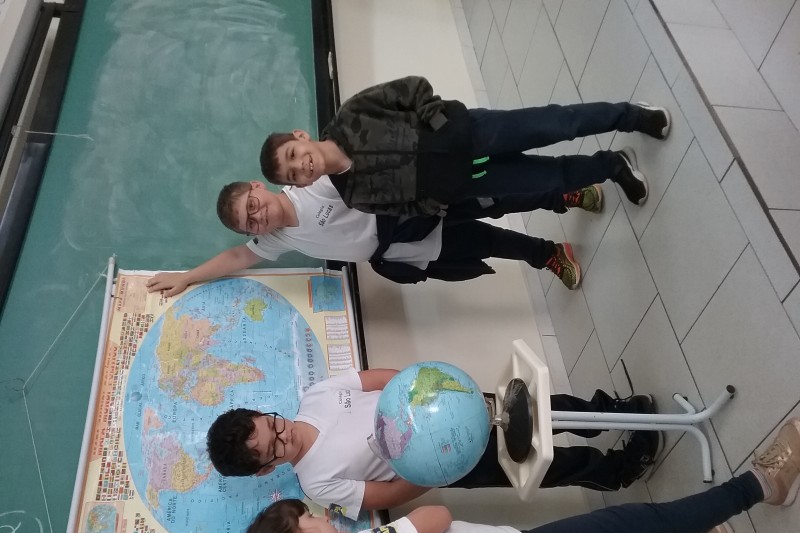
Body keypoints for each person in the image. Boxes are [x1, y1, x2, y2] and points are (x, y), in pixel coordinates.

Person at [240, 417, 800, 533]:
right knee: (630, 525)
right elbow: (438, 519)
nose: (320, 516)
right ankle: (762, 484)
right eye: (307, 519)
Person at [206, 368, 661, 517]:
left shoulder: (316, 395)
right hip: (449, 460)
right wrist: (438, 469)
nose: (283, 434)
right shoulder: (316, 485)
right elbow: (385, 495)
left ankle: (609, 411)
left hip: (446, 404)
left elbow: (378, 379)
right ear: (267, 469)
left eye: (272, 424)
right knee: (542, 462)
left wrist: (426, 380)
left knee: (539, 408)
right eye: (273, 448)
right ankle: (615, 471)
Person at [259, 75, 670, 220]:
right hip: (472, 179)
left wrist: (439, 123)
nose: (302, 167)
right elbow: (406, 209)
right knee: (551, 179)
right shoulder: (354, 196)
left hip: (473, 132)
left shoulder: (352, 113)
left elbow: (412, 89)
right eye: (294, 175)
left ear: (300, 137)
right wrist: (439, 198)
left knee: (560, 124)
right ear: (299, 185)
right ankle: (613, 166)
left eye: (293, 156)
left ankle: (632, 116)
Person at [145, 178, 603, 298]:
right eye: (250, 223)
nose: (257, 217)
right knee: (489, 243)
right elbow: (237, 258)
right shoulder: (277, 238)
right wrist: (187, 277)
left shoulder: (309, 185)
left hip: (415, 210)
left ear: (257, 187)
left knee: (495, 198)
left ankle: (565, 193)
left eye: (252, 206)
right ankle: (549, 254)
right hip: (405, 248)